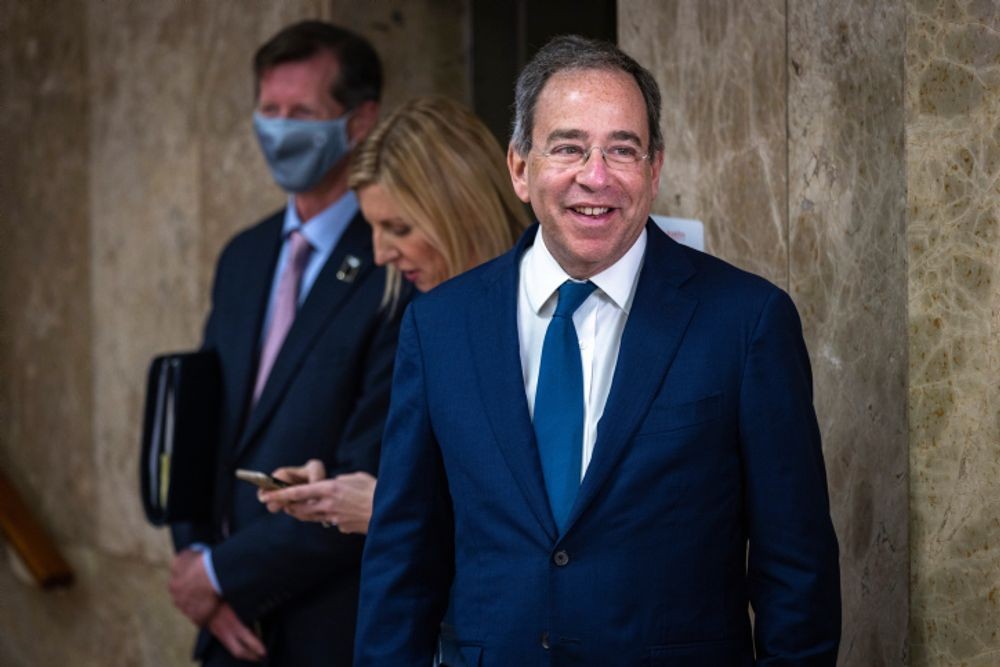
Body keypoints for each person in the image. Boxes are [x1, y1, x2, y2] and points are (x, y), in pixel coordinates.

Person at [354, 35, 842, 666]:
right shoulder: (439, 326)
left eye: (623, 149)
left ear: (654, 170)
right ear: (519, 168)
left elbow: (796, 569)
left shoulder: (745, 321)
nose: (597, 176)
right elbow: (402, 560)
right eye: (568, 148)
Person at [166, 21, 400, 666]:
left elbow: (372, 473)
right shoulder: (243, 255)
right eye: (269, 110)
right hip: (231, 631)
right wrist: (196, 558)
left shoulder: (396, 261)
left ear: (360, 120)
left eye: (301, 113)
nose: (279, 128)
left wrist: (222, 576)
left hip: (331, 628)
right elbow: (204, 424)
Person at [257, 95, 530, 535]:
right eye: (373, 228)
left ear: (461, 209)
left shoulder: (546, 311)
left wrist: (386, 510)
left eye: (399, 228)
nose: (381, 254)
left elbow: (538, 529)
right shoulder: (426, 321)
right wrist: (339, 490)